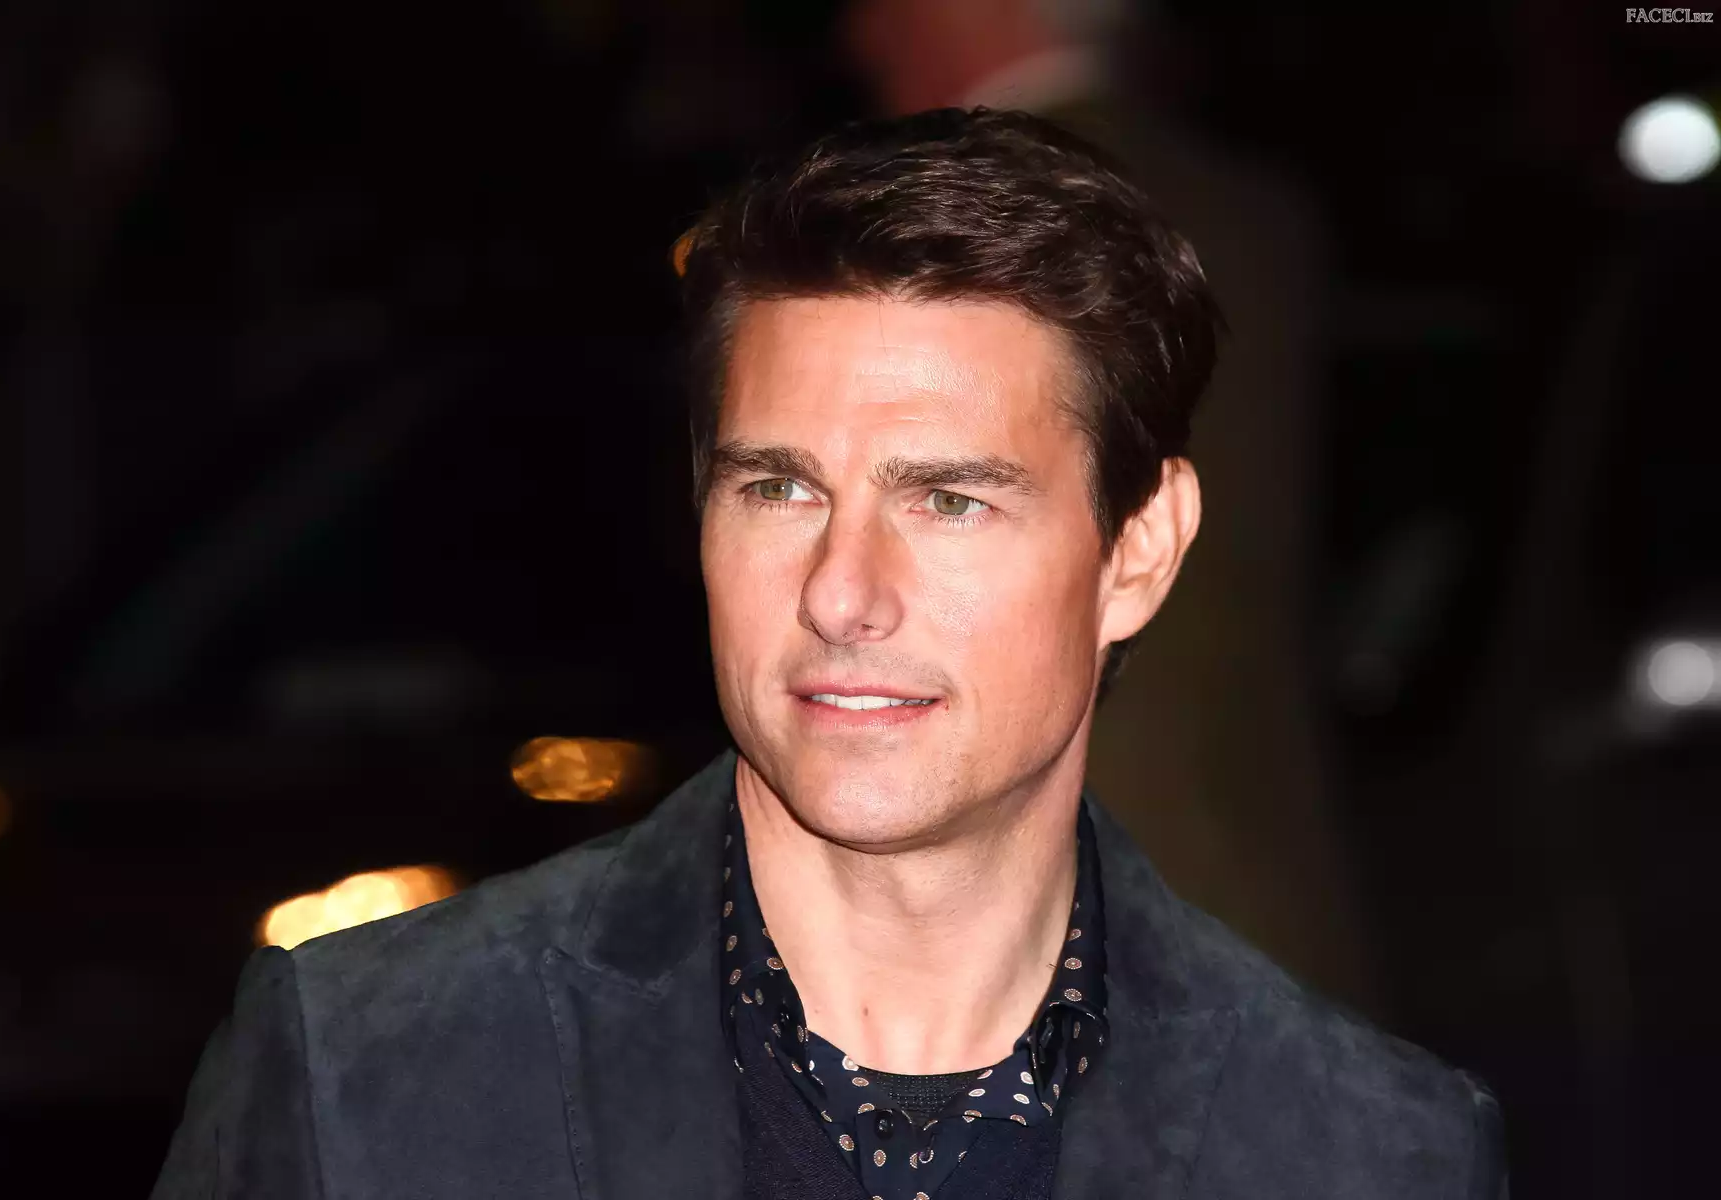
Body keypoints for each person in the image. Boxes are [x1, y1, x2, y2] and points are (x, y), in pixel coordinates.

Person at [150, 109, 1503, 1200]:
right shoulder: (362, 1075)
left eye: (950, 500)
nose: (843, 595)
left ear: (1138, 552)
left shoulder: (1366, 1153)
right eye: (780, 489)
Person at [844, 0, 1370, 1008]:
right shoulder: (1247, 210)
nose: (860, 31)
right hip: (1239, 868)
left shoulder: (965, 219)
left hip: (1067, 917)